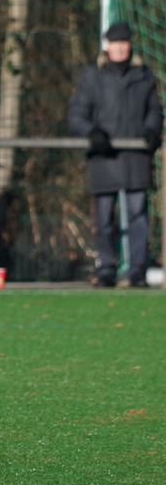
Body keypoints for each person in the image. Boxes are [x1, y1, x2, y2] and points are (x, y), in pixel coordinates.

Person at [68, 21, 164, 288]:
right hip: (104, 158)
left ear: (130, 44)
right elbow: (76, 115)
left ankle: (138, 271)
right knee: (103, 218)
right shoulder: (91, 77)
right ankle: (107, 269)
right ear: (107, 46)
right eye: (115, 43)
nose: (120, 48)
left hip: (136, 157)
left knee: (138, 215)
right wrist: (92, 132)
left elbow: (155, 110)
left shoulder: (144, 75)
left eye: (124, 42)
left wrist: (151, 130)